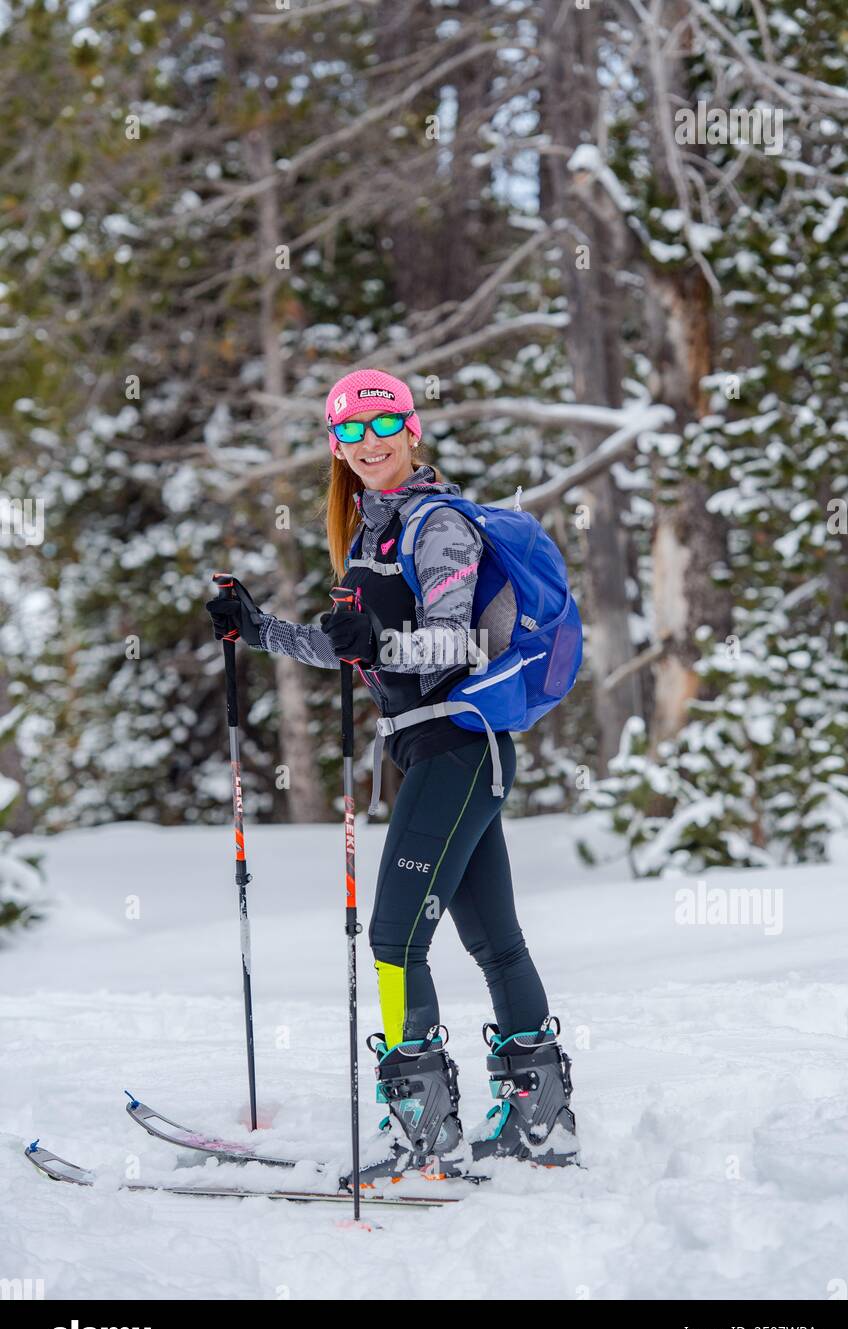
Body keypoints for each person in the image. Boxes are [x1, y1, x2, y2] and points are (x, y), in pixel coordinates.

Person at [207, 368, 577, 1177]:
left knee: (392, 939)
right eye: (350, 433)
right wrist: (258, 629)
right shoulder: (371, 536)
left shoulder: (435, 523)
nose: (368, 445)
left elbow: (450, 643)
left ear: (411, 429)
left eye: (383, 428)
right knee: (495, 943)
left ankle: (421, 1132)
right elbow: (355, 652)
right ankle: (540, 1125)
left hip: (457, 745)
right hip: (441, 752)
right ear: (335, 446)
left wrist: (370, 643)